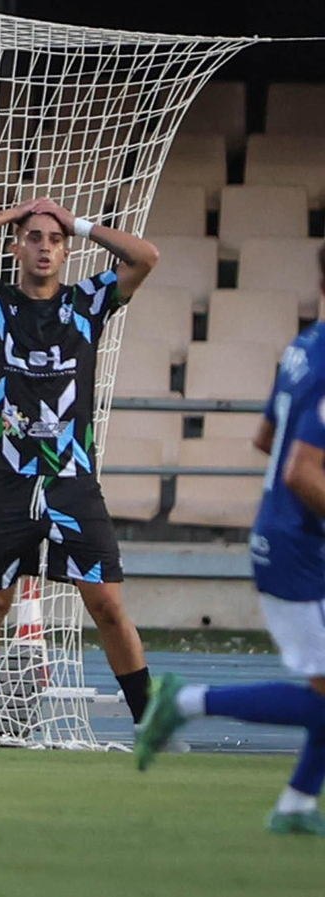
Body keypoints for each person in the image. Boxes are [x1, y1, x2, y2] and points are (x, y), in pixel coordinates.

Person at [0, 197, 159, 744]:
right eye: (33, 237)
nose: (44, 247)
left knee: (105, 601)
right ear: (17, 246)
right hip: (7, 481)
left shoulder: (88, 303)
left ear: (66, 251)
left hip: (71, 483)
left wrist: (74, 221)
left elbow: (146, 256)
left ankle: (152, 723)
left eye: (54, 240)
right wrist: (14, 213)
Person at [136, 241, 325, 836]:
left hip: (292, 538)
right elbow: (299, 469)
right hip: (300, 551)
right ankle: (186, 703)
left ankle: (297, 804)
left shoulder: (305, 346)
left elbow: (267, 437)